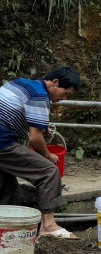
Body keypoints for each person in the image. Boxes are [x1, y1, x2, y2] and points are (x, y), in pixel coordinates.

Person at [0, 67, 82, 239]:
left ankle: (8, 231)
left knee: (9, 189)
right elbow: (35, 137)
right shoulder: (40, 96)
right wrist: (47, 155)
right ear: (55, 82)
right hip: (2, 143)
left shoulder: (21, 83)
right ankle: (49, 225)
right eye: (65, 93)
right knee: (49, 172)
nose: (64, 98)